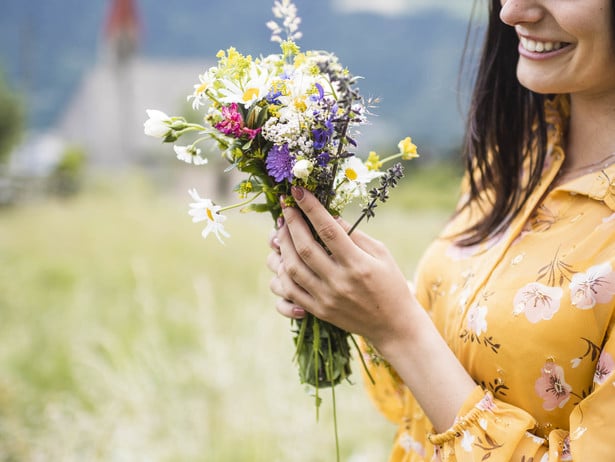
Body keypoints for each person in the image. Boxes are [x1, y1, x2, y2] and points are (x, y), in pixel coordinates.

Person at [266, 0, 615, 459]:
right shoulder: (512, 161)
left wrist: (399, 330)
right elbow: (413, 408)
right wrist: (345, 292)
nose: (511, 11)